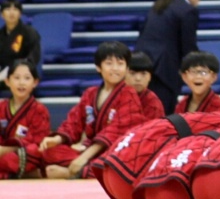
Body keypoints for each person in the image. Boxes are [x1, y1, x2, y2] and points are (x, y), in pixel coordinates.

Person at [37, 41, 142, 178]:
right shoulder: (90, 93)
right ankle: (83, 170)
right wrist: (57, 139)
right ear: (99, 67)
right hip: (91, 151)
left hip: (115, 151)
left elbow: (115, 132)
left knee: (121, 163)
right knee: (49, 152)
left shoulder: (129, 95)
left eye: (120, 64)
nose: (115, 68)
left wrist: (84, 158)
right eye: (109, 63)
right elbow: (74, 122)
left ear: (127, 68)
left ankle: (72, 172)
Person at [132, 0, 202, 113]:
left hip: (144, 64)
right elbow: (188, 48)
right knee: (163, 113)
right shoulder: (187, 10)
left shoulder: (161, 4)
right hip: (164, 69)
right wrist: (199, 67)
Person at [0, 59, 50, 178]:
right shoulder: (1, 107)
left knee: (35, 152)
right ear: (7, 81)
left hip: (24, 155)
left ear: (35, 82)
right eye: (16, 78)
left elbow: (38, 142)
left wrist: (5, 150)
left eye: (27, 78)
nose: (21, 83)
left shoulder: (39, 110)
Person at [0, 0, 41, 83]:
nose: (11, 13)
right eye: (7, 9)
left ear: (20, 14)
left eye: (15, 9)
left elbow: (33, 57)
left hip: (23, 75)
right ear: (2, 14)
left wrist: (14, 70)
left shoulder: (30, 33)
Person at [126, 52, 166, 122]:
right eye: (132, 73)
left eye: (143, 74)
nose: (138, 78)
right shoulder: (116, 96)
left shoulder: (153, 104)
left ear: (150, 77)